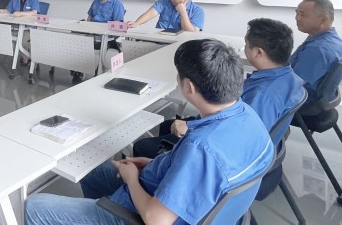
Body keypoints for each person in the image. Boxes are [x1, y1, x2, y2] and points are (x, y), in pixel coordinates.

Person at [25, 39, 274, 225]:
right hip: (163, 191)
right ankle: (98, 210)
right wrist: (155, 164)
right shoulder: (248, 115)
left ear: (188, 87)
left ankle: (104, 215)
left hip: (141, 213)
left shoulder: (201, 148)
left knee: (33, 207)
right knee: (88, 165)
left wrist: (132, 179)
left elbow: (156, 220)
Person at [133, 18, 305, 158]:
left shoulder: (262, 96)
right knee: (168, 125)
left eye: (246, 44)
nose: (244, 48)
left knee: (143, 146)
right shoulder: (289, 77)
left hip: (223, 147)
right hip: (228, 129)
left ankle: (159, 172)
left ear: (258, 52)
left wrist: (193, 127)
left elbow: (239, 139)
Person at [290, 0, 342, 101]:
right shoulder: (333, 39)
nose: (297, 18)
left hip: (299, 100)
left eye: (303, 15)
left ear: (323, 20)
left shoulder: (318, 49)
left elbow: (291, 85)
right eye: (297, 13)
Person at [127, 0, 203, 31]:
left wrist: (183, 13)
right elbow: (150, 13)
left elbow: (191, 32)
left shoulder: (197, 11)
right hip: (159, 39)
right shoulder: (164, 1)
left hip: (179, 43)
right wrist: (137, 23)